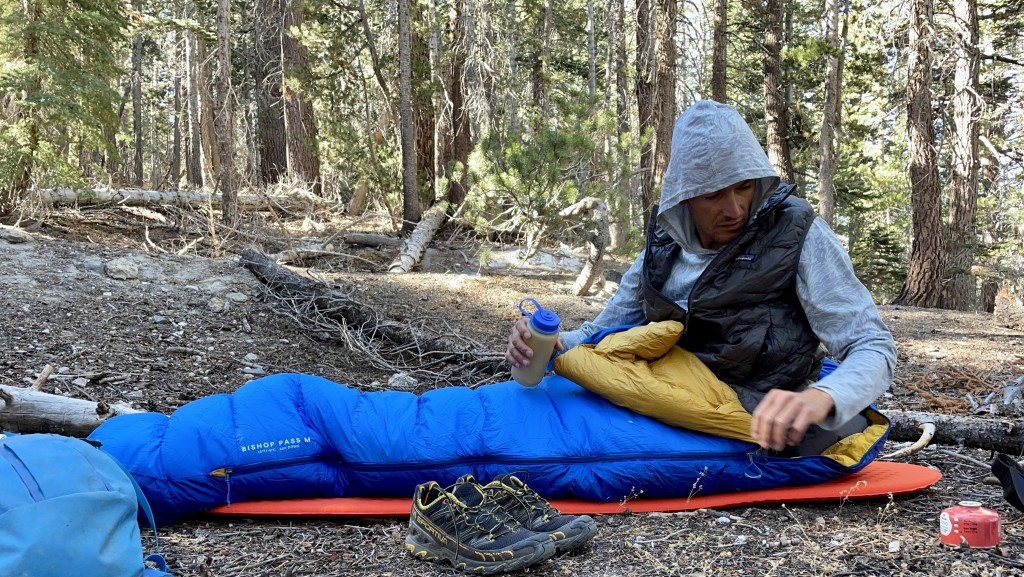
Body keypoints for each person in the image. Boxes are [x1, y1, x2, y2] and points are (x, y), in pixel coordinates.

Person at [506, 100, 896, 456]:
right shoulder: (665, 241)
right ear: (685, 196)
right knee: (529, 420)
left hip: (754, 406)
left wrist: (822, 397)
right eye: (713, 195)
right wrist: (552, 344)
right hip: (665, 392)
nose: (735, 209)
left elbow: (873, 345)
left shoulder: (798, 233)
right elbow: (607, 330)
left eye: (744, 187)